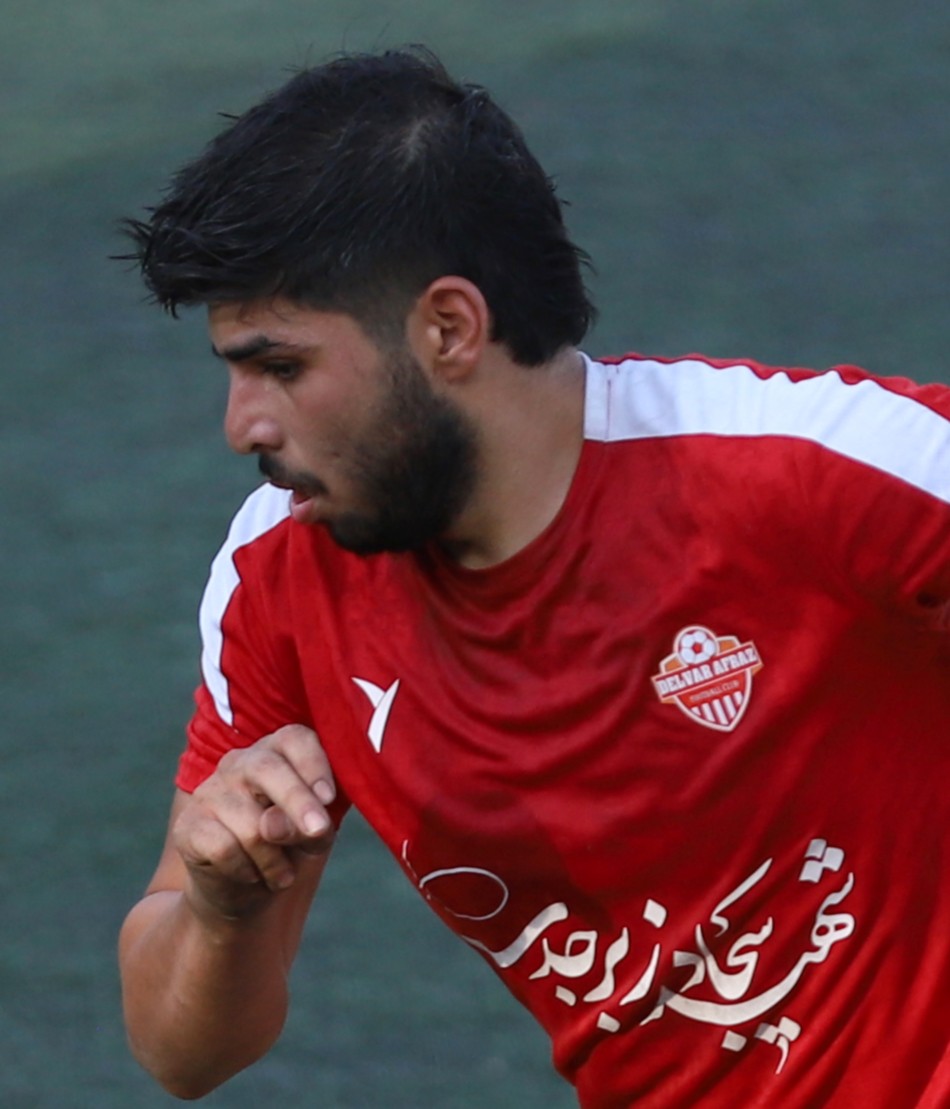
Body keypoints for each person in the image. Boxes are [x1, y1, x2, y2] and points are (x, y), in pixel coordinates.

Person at [118, 46, 950, 1108]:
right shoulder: (283, 575)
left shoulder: (805, 469)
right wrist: (219, 905)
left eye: (281, 367)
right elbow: (181, 1053)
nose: (243, 426)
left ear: (449, 328)